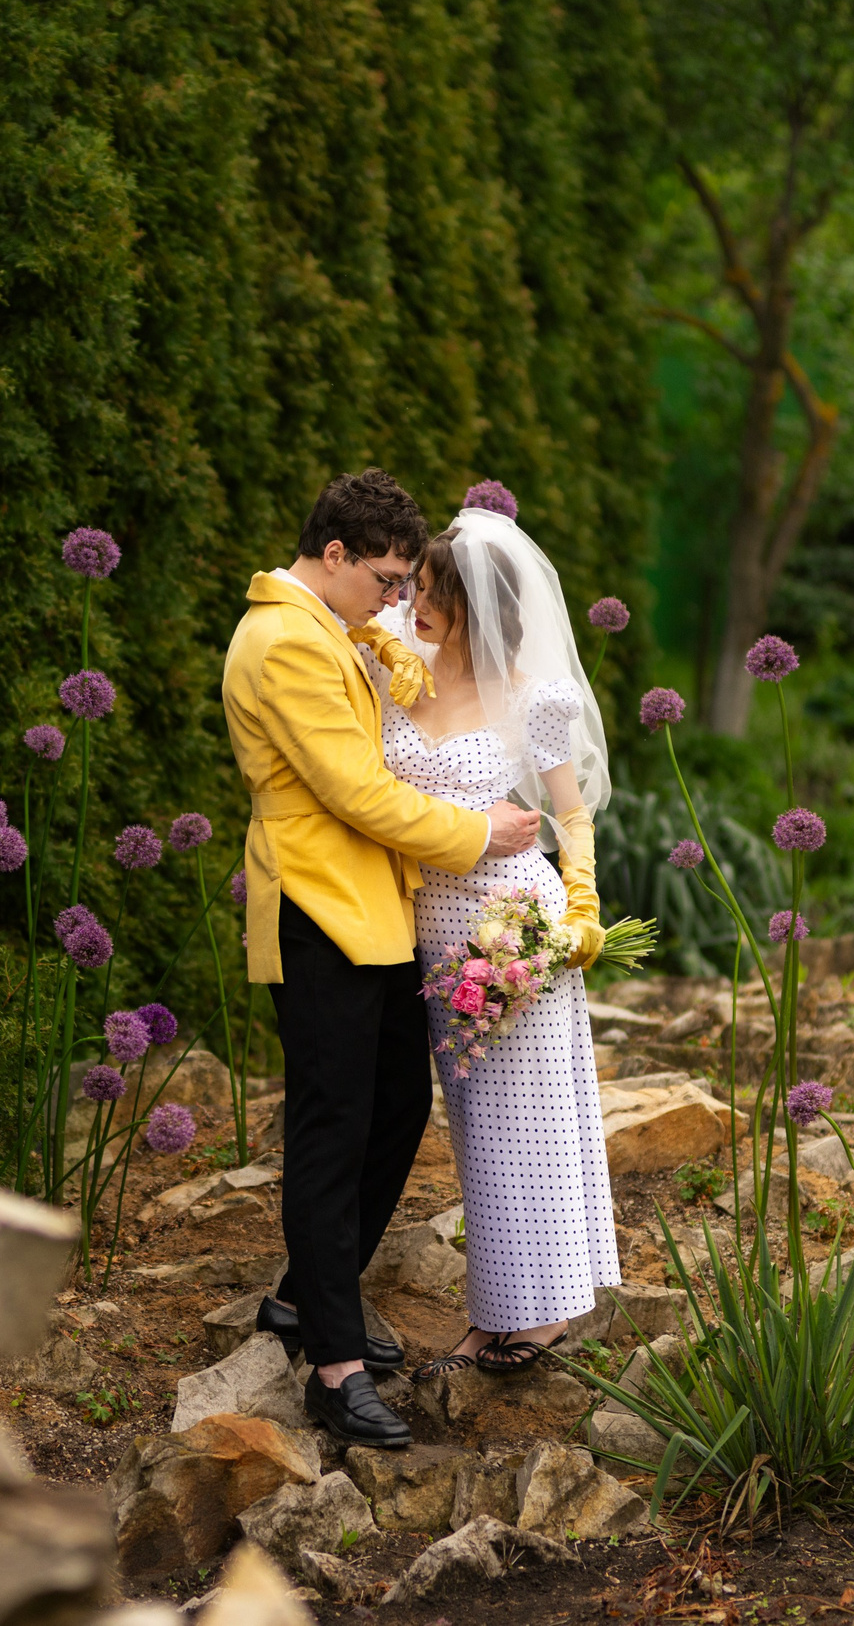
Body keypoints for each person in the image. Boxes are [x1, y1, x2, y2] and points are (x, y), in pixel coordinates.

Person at [220, 470, 542, 1449]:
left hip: (376, 913)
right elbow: (358, 790)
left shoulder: (339, 629)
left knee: (397, 1107)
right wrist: (477, 833)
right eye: (390, 577)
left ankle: (304, 1299)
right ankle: (334, 1367)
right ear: (333, 555)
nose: (399, 598)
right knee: (332, 1132)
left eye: (407, 581)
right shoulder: (280, 641)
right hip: (319, 910)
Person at [378, 507, 621, 1384]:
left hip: (514, 928)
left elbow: (571, 812)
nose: (418, 603)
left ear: (480, 606)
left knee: (529, 1121)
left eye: (436, 593)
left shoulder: (533, 695)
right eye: (416, 590)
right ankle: (506, 1306)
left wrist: (581, 909)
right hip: (431, 932)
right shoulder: (391, 674)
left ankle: (533, 1316)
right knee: (474, 1127)